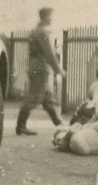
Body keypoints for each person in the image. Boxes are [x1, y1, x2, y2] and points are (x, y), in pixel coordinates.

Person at [17, 7, 65, 135]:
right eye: (51, 16)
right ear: (46, 17)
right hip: (41, 69)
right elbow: (49, 53)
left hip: (35, 68)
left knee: (48, 99)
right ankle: (20, 126)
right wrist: (58, 69)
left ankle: (60, 125)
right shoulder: (42, 33)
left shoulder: (35, 31)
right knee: (33, 98)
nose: (52, 19)